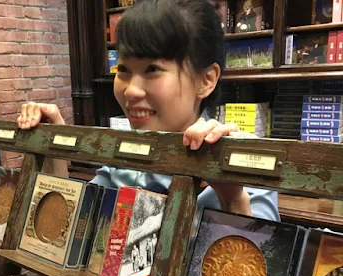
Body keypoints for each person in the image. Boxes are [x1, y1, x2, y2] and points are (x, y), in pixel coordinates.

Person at [17, 0, 279, 222]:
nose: (130, 90)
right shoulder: (124, 161)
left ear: (206, 80)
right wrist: (56, 145)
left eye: (152, 70)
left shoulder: (246, 164)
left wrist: (232, 198)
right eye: (123, 70)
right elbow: (71, 225)